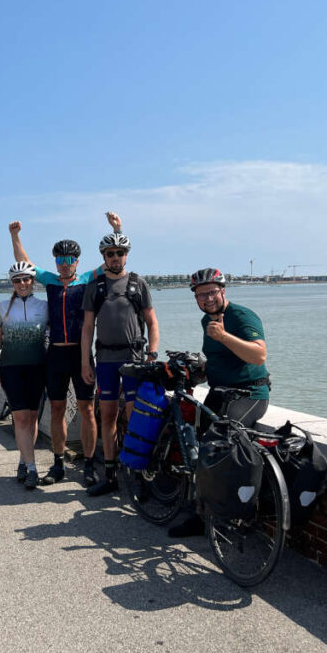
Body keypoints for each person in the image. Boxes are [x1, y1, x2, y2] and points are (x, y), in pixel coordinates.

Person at [7, 212, 121, 486]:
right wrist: (15, 236)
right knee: (56, 409)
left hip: (81, 354)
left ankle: (90, 465)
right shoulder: (51, 281)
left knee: (86, 411)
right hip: (55, 355)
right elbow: (26, 264)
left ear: (77, 262)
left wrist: (117, 228)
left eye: (70, 260)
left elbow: (114, 260)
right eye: (60, 260)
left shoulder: (87, 279)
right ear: (56, 262)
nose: (65, 264)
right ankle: (58, 464)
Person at [169, 267, 270, 537]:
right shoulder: (207, 322)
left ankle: (234, 513)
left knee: (221, 442)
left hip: (250, 394)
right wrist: (197, 371)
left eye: (212, 292)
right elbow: (219, 360)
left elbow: (259, 356)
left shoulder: (241, 316)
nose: (207, 299)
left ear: (223, 291)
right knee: (201, 448)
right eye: (200, 295)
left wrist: (224, 336)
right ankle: (200, 514)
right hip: (220, 390)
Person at [80, 228, 160, 496]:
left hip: (134, 359)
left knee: (135, 415)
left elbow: (151, 322)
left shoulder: (138, 284)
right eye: (110, 253)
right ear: (104, 256)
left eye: (120, 253)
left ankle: (139, 475)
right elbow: (87, 327)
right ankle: (111, 474)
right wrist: (85, 361)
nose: (115, 257)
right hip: (105, 360)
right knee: (108, 416)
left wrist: (153, 353)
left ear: (126, 255)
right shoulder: (96, 286)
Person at [0, 262, 50, 489]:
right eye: (17, 280)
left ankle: (25, 460)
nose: (22, 284)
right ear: (12, 283)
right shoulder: (2, 308)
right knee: (22, 418)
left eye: (26, 279)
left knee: (33, 418)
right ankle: (33, 469)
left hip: (37, 368)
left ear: (33, 281)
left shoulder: (44, 307)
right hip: (11, 369)